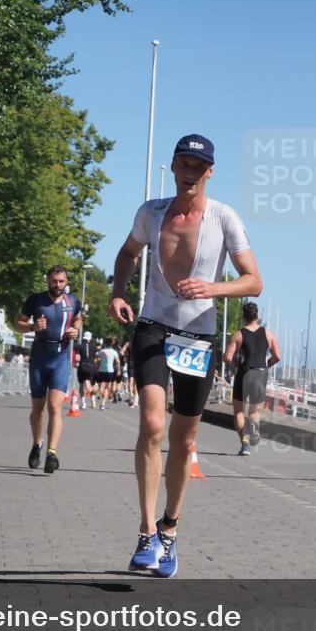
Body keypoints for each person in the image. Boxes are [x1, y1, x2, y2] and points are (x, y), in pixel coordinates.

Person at [109, 133, 262, 578]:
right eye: (184, 164)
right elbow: (127, 252)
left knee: (184, 440)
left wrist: (213, 288)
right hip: (153, 325)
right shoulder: (151, 212)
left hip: (197, 337)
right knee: (153, 423)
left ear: (209, 172)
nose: (190, 172)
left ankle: (169, 529)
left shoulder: (224, 217)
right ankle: (145, 533)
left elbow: (254, 281)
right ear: (174, 167)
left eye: (198, 166)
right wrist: (118, 292)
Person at [15, 265, 82, 473]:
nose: (57, 284)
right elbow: (17, 324)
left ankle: (51, 453)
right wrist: (32, 327)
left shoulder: (73, 301)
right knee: (38, 410)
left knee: (55, 406)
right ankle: (37, 443)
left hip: (61, 358)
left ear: (66, 282)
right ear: (48, 280)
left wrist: (76, 330)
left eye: (61, 281)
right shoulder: (36, 300)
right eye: (54, 281)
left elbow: (78, 319)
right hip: (39, 358)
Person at [224, 302, 280, 456]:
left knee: (239, 411)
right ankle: (254, 427)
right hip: (260, 373)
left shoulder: (238, 335)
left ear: (244, 316)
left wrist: (236, 363)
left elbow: (227, 357)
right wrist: (266, 365)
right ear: (257, 315)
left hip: (244, 372)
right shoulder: (269, 334)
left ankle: (245, 443)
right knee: (255, 411)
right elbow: (277, 356)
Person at [96, 336, 121, 409]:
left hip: (102, 370)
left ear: (106, 343)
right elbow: (118, 362)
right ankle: (103, 403)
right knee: (107, 387)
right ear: (112, 344)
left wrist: (97, 365)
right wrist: (118, 370)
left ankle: (103, 401)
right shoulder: (114, 352)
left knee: (101, 387)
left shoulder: (102, 351)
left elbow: (97, 358)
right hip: (110, 371)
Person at [75, 331, 97, 409]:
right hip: (91, 367)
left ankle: (83, 403)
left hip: (82, 366)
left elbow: (77, 358)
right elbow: (95, 359)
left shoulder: (78, 346)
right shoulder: (94, 347)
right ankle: (93, 400)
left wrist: (76, 363)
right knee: (92, 384)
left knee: (81, 385)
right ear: (90, 339)